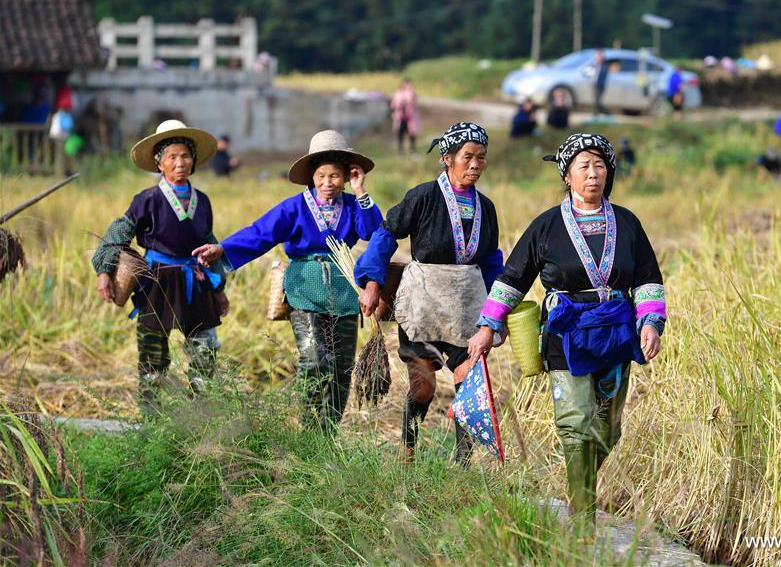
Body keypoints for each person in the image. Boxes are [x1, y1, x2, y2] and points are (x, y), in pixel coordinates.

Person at [467, 133, 666, 526]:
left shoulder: (626, 223)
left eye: (599, 165)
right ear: (568, 175)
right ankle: (582, 520)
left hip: (615, 333)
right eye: (583, 166)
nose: (593, 174)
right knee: (576, 426)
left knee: (607, 433)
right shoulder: (546, 227)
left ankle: (582, 491)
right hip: (565, 335)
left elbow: (647, 278)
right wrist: (488, 325)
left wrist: (651, 322)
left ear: (608, 172)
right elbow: (513, 278)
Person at [192, 130, 382, 434]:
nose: (328, 183)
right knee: (315, 359)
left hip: (344, 290)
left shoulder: (353, 204)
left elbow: (373, 232)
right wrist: (223, 248)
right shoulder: (294, 208)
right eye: (321, 176)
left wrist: (360, 191)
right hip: (304, 288)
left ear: (347, 176)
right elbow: (261, 233)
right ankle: (308, 427)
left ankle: (327, 433)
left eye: (335, 176)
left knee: (341, 368)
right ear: (312, 176)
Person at [354, 122, 504, 464]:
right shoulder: (423, 197)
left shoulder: (487, 208)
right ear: (447, 158)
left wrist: (498, 315)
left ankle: (461, 462)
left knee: (467, 382)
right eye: (468, 157)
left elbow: (493, 260)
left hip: (468, 303)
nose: (476, 164)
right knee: (423, 388)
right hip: (423, 302)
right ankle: (408, 454)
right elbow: (386, 234)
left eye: (482, 158)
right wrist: (373, 283)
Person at [92, 120, 229, 410]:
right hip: (156, 284)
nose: (180, 163)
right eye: (172, 157)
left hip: (196, 281)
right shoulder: (147, 200)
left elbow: (209, 243)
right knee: (153, 360)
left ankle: (199, 416)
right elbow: (117, 236)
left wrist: (219, 288)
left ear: (193, 162)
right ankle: (151, 421)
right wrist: (105, 272)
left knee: (205, 352)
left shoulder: (202, 201)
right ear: (159, 164)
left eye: (185, 156)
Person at [391, 78, 421, 154]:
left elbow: (414, 101)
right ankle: (401, 150)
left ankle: (413, 150)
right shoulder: (398, 93)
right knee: (400, 134)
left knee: (412, 134)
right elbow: (394, 104)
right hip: (400, 117)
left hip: (410, 117)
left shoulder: (412, 93)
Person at [593, 50, 609, 116]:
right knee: (596, 101)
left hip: (600, 86)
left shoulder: (604, 66)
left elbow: (603, 78)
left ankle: (605, 113)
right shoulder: (596, 65)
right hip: (595, 85)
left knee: (597, 101)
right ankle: (597, 113)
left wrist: (599, 85)